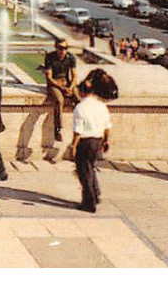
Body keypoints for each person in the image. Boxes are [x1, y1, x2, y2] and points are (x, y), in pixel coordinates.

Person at [72, 68, 117, 213]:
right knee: (90, 167)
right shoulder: (101, 105)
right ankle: (96, 194)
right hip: (98, 140)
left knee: (84, 172)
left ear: (82, 92)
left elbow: (78, 130)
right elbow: (107, 126)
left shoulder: (80, 107)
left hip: (85, 142)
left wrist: (73, 146)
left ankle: (89, 202)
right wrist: (106, 141)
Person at [42, 38, 77, 153]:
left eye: (65, 48)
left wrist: (70, 88)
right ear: (56, 48)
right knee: (59, 100)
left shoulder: (71, 58)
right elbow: (49, 77)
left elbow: (74, 76)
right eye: (61, 48)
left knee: (79, 99)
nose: (63, 51)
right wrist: (61, 87)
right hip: (54, 83)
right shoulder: (50, 58)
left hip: (66, 82)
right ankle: (58, 129)